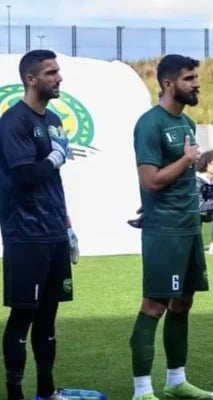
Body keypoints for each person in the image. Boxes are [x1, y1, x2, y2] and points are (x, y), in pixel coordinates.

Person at [129, 54, 213, 400]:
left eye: (196, 77)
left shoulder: (188, 123)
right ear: (168, 84)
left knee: (183, 303)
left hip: (188, 226)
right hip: (165, 230)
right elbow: (150, 180)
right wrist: (185, 159)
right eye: (189, 78)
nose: (197, 84)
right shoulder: (149, 124)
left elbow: (175, 180)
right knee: (154, 306)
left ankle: (176, 381)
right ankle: (141, 390)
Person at [0, 49, 79, 400]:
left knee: (48, 317)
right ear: (31, 79)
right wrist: (55, 157)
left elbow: (52, 182)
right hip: (25, 233)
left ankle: (46, 392)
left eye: (58, 71)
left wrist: (67, 224)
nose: (59, 78)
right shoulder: (13, 122)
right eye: (51, 72)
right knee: (23, 315)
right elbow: (24, 176)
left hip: (54, 232)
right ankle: (14, 394)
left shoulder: (53, 119)